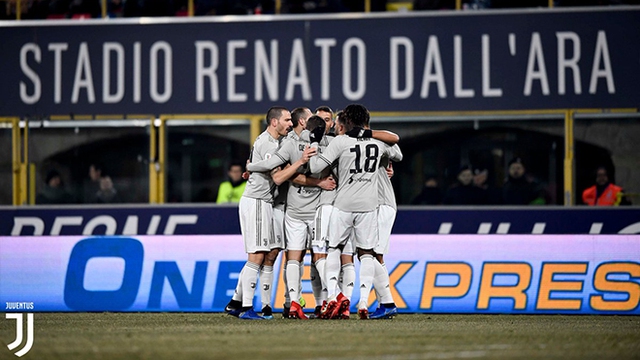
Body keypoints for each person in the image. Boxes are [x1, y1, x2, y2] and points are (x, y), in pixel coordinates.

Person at [308, 103, 402, 320]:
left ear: (345, 122)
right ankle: (364, 301)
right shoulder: (378, 142)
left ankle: (333, 296)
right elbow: (397, 151)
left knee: (335, 249)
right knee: (367, 253)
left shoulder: (340, 142)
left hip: (345, 203)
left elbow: (314, 167)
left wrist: (313, 144)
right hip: (369, 205)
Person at [225, 106, 293, 320]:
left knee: (261, 253)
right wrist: (254, 167)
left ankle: (238, 304)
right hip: (256, 201)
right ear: (274, 122)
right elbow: (275, 172)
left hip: (262, 202)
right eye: (287, 119)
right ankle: (246, 308)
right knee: (257, 255)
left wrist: (252, 167)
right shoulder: (266, 143)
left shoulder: (275, 142)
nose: (290, 123)